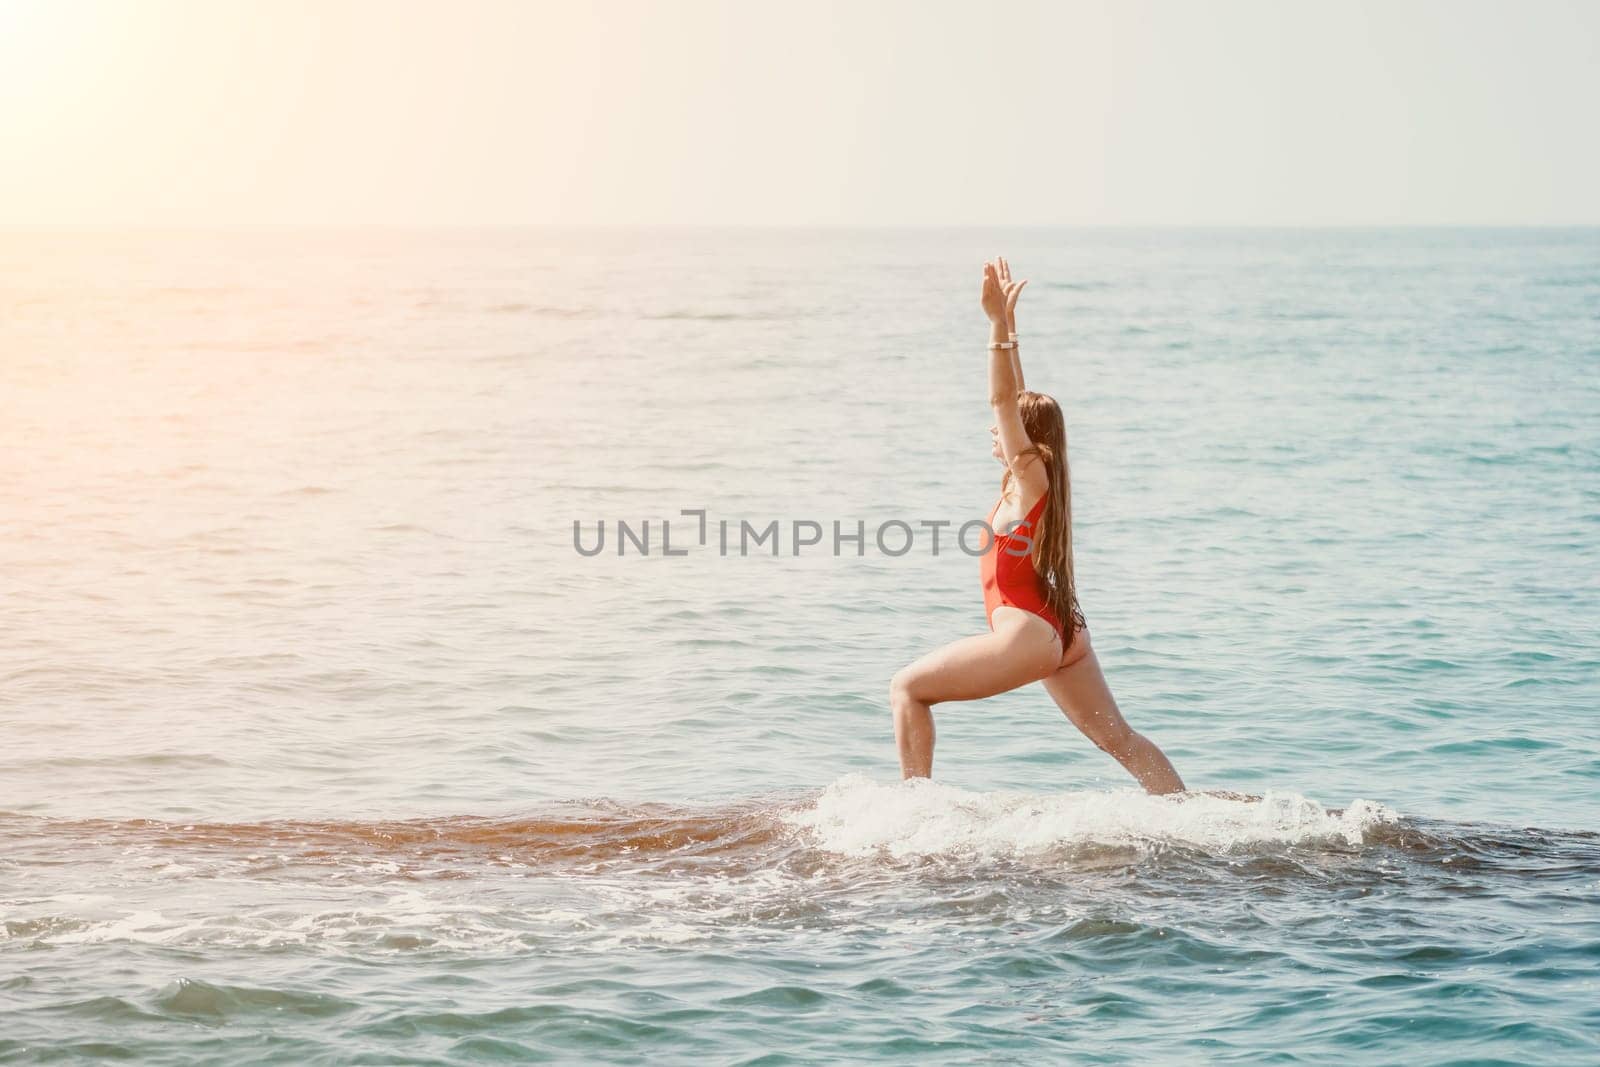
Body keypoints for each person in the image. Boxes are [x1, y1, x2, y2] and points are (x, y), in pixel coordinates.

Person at [889, 257, 1187, 795]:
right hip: (1062, 628)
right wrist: (1011, 328)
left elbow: (1004, 401)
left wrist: (994, 328)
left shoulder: (1030, 478)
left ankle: (912, 811)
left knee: (907, 688)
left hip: (1027, 631)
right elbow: (1018, 400)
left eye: (1003, 429)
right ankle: (1183, 814)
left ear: (1027, 438)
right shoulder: (1031, 479)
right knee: (1118, 737)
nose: (992, 429)